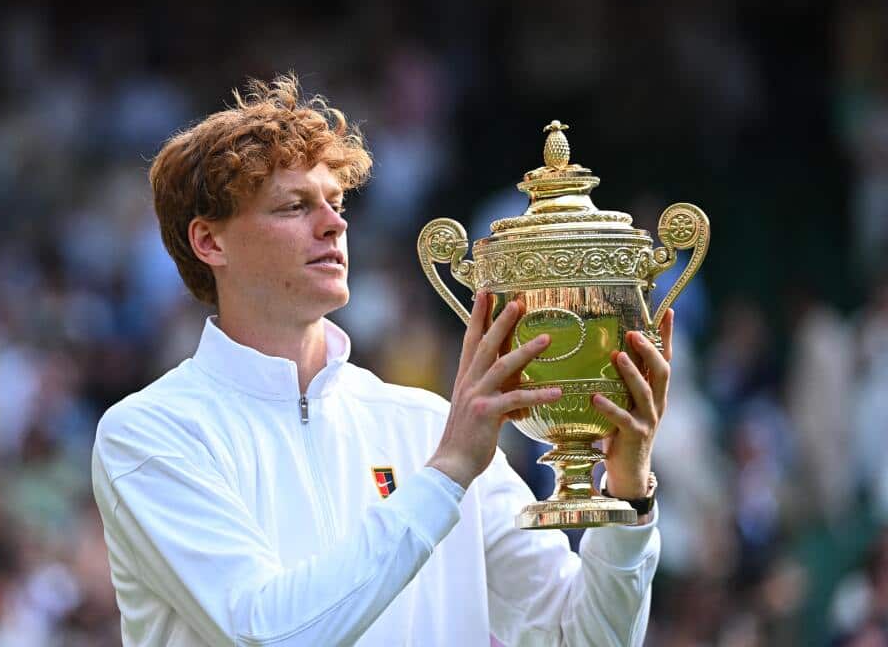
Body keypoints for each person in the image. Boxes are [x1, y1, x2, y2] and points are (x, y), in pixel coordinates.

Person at [91, 75, 671, 646]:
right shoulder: (148, 434)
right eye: (294, 206)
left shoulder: (428, 424)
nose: (334, 223)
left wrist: (629, 495)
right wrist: (445, 477)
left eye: (336, 202)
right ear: (209, 242)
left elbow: (584, 637)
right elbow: (271, 634)